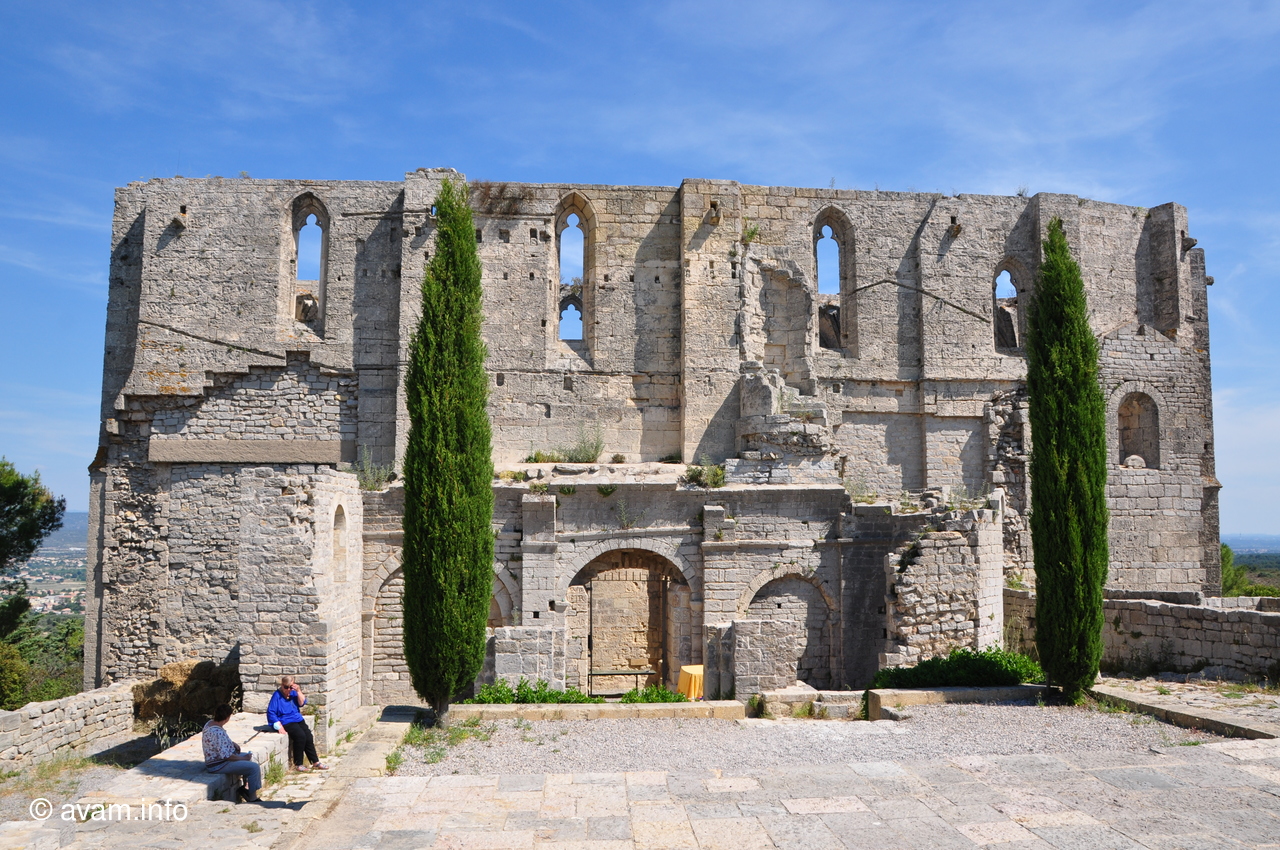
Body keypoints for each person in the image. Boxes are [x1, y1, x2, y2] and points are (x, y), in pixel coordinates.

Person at [203, 703, 262, 803]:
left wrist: (232, 744)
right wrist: (243, 758)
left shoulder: (209, 724)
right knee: (254, 767)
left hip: (217, 760)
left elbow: (219, 743)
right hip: (219, 764)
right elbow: (227, 756)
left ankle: (246, 787)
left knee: (251, 757)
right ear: (227, 718)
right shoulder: (217, 732)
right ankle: (252, 798)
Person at [267, 675, 327, 771]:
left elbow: (302, 703)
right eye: (286, 687)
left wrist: (298, 691)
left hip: (297, 718)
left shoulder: (294, 693)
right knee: (300, 736)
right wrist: (278, 726)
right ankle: (298, 764)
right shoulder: (277, 695)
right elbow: (271, 712)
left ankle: (315, 761)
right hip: (285, 720)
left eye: (290, 687)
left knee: (308, 736)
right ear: (282, 685)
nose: (288, 689)